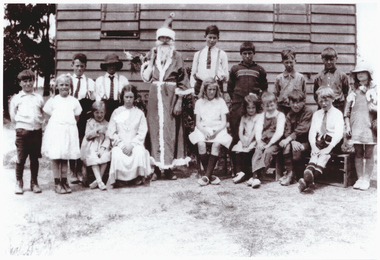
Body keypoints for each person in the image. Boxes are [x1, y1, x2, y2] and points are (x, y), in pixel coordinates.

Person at [141, 15, 193, 180]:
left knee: (170, 130)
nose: (164, 41)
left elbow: (183, 81)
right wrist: (150, 61)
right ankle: (156, 168)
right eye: (161, 38)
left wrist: (179, 101)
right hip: (155, 95)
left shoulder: (176, 56)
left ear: (172, 40)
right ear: (158, 39)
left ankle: (169, 168)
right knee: (155, 129)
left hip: (171, 95)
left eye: (167, 38)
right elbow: (147, 77)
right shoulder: (154, 54)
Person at [42, 74, 82, 194]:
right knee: (56, 157)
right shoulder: (53, 100)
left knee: (65, 157)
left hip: (68, 131)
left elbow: (77, 117)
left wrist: (68, 126)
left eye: (67, 84)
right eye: (61, 84)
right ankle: (57, 183)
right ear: (57, 86)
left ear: (70, 86)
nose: (64, 87)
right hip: (56, 132)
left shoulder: (74, 101)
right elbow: (47, 114)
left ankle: (64, 181)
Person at [298, 87, 344, 192]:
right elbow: (312, 132)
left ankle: (306, 181)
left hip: (333, 142)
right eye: (321, 101)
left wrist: (329, 147)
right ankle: (310, 180)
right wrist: (313, 146)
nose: (323, 103)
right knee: (315, 154)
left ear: (333, 99)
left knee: (324, 155)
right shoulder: (317, 114)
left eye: (326, 100)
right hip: (320, 141)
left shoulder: (337, 114)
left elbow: (338, 134)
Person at [106, 85, 152, 189]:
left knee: (139, 152)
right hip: (120, 143)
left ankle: (137, 177)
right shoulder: (117, 112)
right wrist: (121, 145)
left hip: (134, 143)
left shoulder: (139, 113)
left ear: (134, 98)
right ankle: (120, 179)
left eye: (131, 97)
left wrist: (132, 144)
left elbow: (142, 132)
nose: (128, 100)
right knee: (117, 154)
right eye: (126, 97)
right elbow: (111, 131)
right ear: (122, 97)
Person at [189, 78, 232, 186]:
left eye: (214, 89)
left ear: (217, 90)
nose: (212, 92)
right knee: (201, 144)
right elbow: (198, 122)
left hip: (218, 129)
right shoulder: (199, 102)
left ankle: (206, 176)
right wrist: (204, 131)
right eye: (209, 89)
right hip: (203, 128)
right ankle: (210, 175)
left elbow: (224, 122)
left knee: (216, 145)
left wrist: (216, 132)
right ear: (205, 90)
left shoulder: (220, 101)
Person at [9, 69, 44, 194]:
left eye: (30, 81)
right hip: (22, 132)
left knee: (34, 158)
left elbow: (42, 113)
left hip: (36, 132)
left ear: (34, 82)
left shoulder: (39, 98)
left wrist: (39, 125)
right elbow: (13, 116)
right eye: (25, 81)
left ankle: (34, 182)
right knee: (21, 158)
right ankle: (19, 182)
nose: (28, 84)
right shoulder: (17, 98)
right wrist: (21, 127)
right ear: (20, 83)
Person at [228, 41, 268, 150]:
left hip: (253, 106)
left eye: (250, 53)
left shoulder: (259, 70)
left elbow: (264, 89)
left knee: (254, 131)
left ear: (253, 54)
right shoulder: (235, 69)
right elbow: (230, 89)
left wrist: (257, 99)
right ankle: (236, 163)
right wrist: (237, 100)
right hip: (238, 105)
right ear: (241, 54)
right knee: (236, 130)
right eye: (244, 53)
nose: (247, 56)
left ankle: (250, 162)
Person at [345, 63, 377, 191]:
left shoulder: (375, 89)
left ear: (369, 74)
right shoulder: (352, 90)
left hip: (369, 124)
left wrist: (375, 108)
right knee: (358, 153)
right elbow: (346, 110)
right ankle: (360, 178)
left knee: (369, 153)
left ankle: (367, 178)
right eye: (358, 73)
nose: (360, 74)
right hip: (356, 124)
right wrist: (347, 125)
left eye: (363, 72)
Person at [69, 53, 96, 185]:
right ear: (72, 65)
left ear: (85, 67)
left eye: (82, 66)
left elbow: (92, 99)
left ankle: (79, 169)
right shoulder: (67, 80)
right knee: (69, 139)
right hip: (69, 112)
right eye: (77, 66)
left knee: (80, 140)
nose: (79, 69)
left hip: (83, 113)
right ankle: (71, 171)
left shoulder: (89, 82)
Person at [249, 92, 286, 188]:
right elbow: (258, 129)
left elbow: (279, 132)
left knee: (268, 152)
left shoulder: (280, 115)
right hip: (264, 140)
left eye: (271, 105)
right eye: (267, 106)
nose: (269, 108)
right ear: (263, 106)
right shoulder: (262, 115)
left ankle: (257, 176)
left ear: (276, 103)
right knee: (258, 151)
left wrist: (270, 143)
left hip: (274, 142)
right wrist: (259, 142)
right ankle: (255, 176)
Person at [278, 89, 313, 186]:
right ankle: (290, 174)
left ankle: (298, 176)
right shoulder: (290, 114)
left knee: (296, 149)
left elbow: (303, 129)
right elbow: (287, 131)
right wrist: (292, 141)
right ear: (289, 102)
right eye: (293, 102)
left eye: (298, 102)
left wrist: (290, 139)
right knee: (287, 146)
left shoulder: (308, 112)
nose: (295, 105)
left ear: (303, 102)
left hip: (307, 142)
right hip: (294, 141)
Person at [190, 25, 229, 96]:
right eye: (210, 37)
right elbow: (193, 72)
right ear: (205, 36)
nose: (212, 40)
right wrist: (192, 87)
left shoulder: (222, 54)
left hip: (216, 86)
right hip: (200, 85)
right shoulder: (198, 54)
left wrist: (225, 91)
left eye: (214, 38)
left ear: (218, 38)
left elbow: (225, 74)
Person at [80, 101, 111, 191]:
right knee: (92, 156)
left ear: (105, 112)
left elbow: (108, 138)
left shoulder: (107, 124)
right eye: (97, 112)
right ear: (93, 113)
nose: (99, 115)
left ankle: (98, 181)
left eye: (101, 112)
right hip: (91, 146)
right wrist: (95, 131)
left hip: (102, 147)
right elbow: (87, 136)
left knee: (106, 156)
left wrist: (103, 148)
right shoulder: (89, 123)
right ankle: (100, 181)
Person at [231, 93, 261, 184]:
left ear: (256, 107)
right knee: (238, 148)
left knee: (249, 149)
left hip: (254, 138)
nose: (251, 110)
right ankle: (239, 172)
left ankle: (249, 173)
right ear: (245, 108)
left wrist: (248, 141)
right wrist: (242, 140)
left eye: (253, 108)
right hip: (244, 138)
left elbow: (255, 131)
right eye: (248, 108)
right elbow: (240, 130)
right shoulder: (244, 117)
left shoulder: (258, 117)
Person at [313, 47, 349, 113]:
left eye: (331, 59)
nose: (329, 62)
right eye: (326, 60)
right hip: (323, 106)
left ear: (336, 59)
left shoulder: (342, 76)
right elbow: (315, 95)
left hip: (338, 106)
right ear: (322, 59)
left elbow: (346, 93)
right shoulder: (318, 77)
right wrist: (322, 103)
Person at [96, 53, 129, 121]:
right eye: (109, 65)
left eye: (113, 65)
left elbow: (127, 95)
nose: (111, 67)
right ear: (106, 66)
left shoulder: (123, 80)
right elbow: (97, 96)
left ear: (116, 66)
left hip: (119, 108)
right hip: (105, 109)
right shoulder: (100, 80)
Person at [274, 49, 306, 115]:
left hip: (296, 108)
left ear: (295, 61)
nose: (289, 65)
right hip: (282, 108)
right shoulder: (279, 78)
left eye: (291, 62)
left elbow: (304, 94)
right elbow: (275, 94)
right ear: (282, 62)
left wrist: (300, 105)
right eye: (286, 62)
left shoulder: (300, 77)